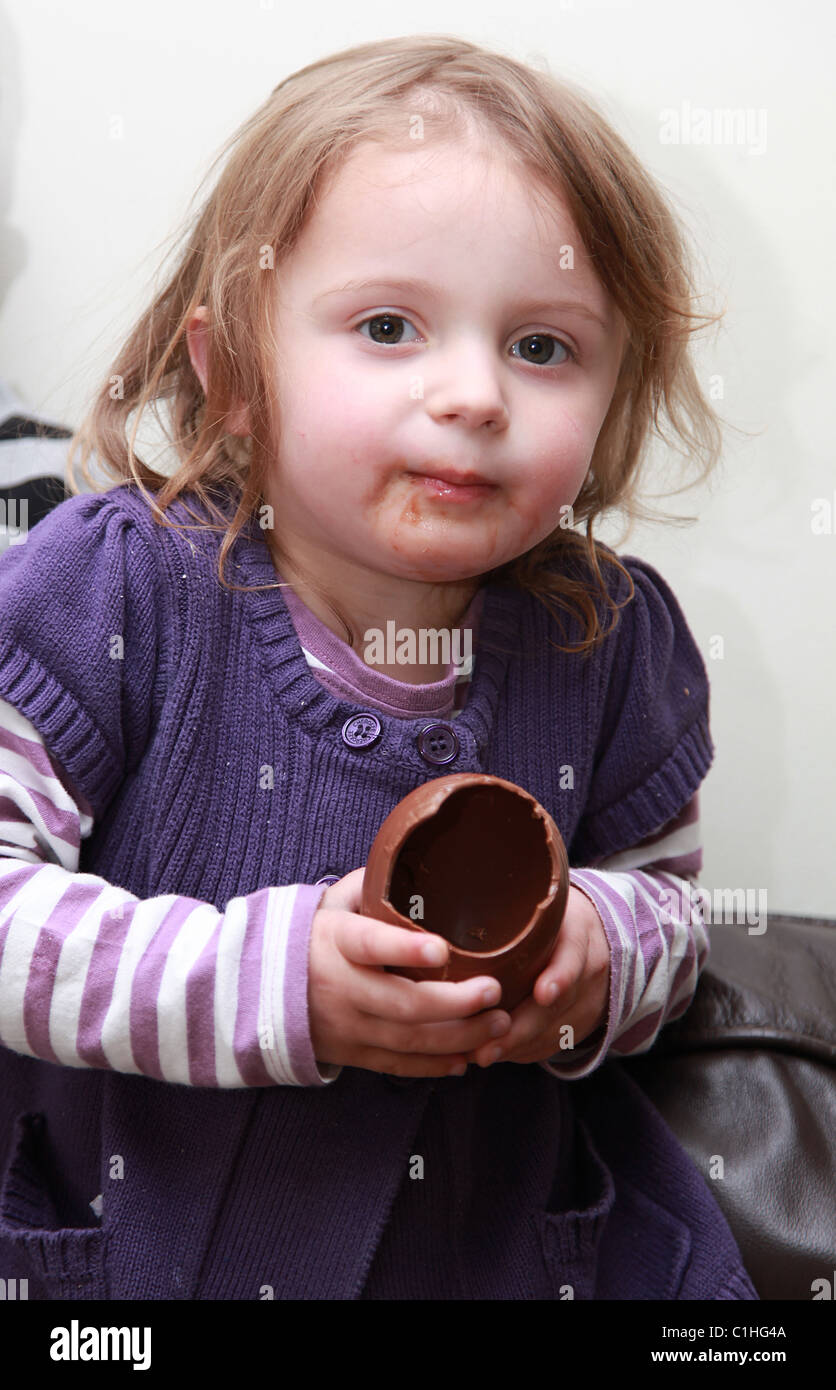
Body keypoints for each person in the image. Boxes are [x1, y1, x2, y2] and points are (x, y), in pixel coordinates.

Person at [0, 34, 757, 1300]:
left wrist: (593, 958)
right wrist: (271, 982)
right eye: (389, 326)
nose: (472, 394)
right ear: (231, 369)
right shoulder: (115, 592)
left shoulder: (609, 640)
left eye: (542, 347)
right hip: (131, 1262)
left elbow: (671, 915)